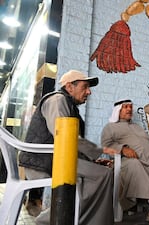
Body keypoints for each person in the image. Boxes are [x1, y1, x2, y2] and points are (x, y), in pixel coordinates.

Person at [18, 70, 115, 225]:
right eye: (85, 87)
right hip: (42, 162)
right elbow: (65, 137)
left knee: (95, 175)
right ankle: (51, 220)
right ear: (70, 87)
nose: (89, 92)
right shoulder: (57, 100)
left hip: (53, 159)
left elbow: (69, 145)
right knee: (103, 175)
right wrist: (100, 151)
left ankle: (53, 219)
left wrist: (91, 161)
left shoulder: (67, 103)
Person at [101, 99, 149, 225]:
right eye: (126, 107)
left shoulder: (137, 127)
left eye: (131, 107)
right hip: (128, 163)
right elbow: (105, 146)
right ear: (118, 110)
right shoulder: (110, 127)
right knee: (134, 164)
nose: (129, 109)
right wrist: (122, 149)